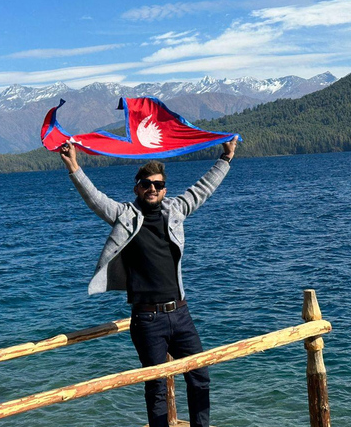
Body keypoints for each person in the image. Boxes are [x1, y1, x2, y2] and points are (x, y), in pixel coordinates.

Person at [59, 139, 237, 427]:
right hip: (146, 318)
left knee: (200, 375)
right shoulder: (124, 216)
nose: (152, 188)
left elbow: (204, 188)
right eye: (146, 184)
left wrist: (225, 158)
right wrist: (74, 165)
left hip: (180, 313)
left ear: (164, 189)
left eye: (158, 184)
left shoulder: (176, 210)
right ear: (137, 188)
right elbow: (94, 197)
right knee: (155, 386)